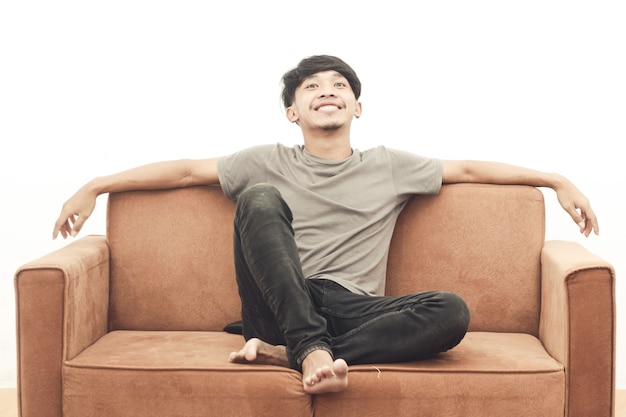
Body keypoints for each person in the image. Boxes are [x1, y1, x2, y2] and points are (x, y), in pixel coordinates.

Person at [52, 55, 599, 395]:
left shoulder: (389, 164)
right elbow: (185, 171)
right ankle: (309, 347)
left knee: (450, 312)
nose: (328, 92)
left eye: (339, 85)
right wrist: (96, 185)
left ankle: (290, 351)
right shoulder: (265, 161)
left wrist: (555, 179)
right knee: (261, 199)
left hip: (349, 304)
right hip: (277, 298)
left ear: (358, 107)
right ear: (293, 112)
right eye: (312, 87)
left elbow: (473, 168)